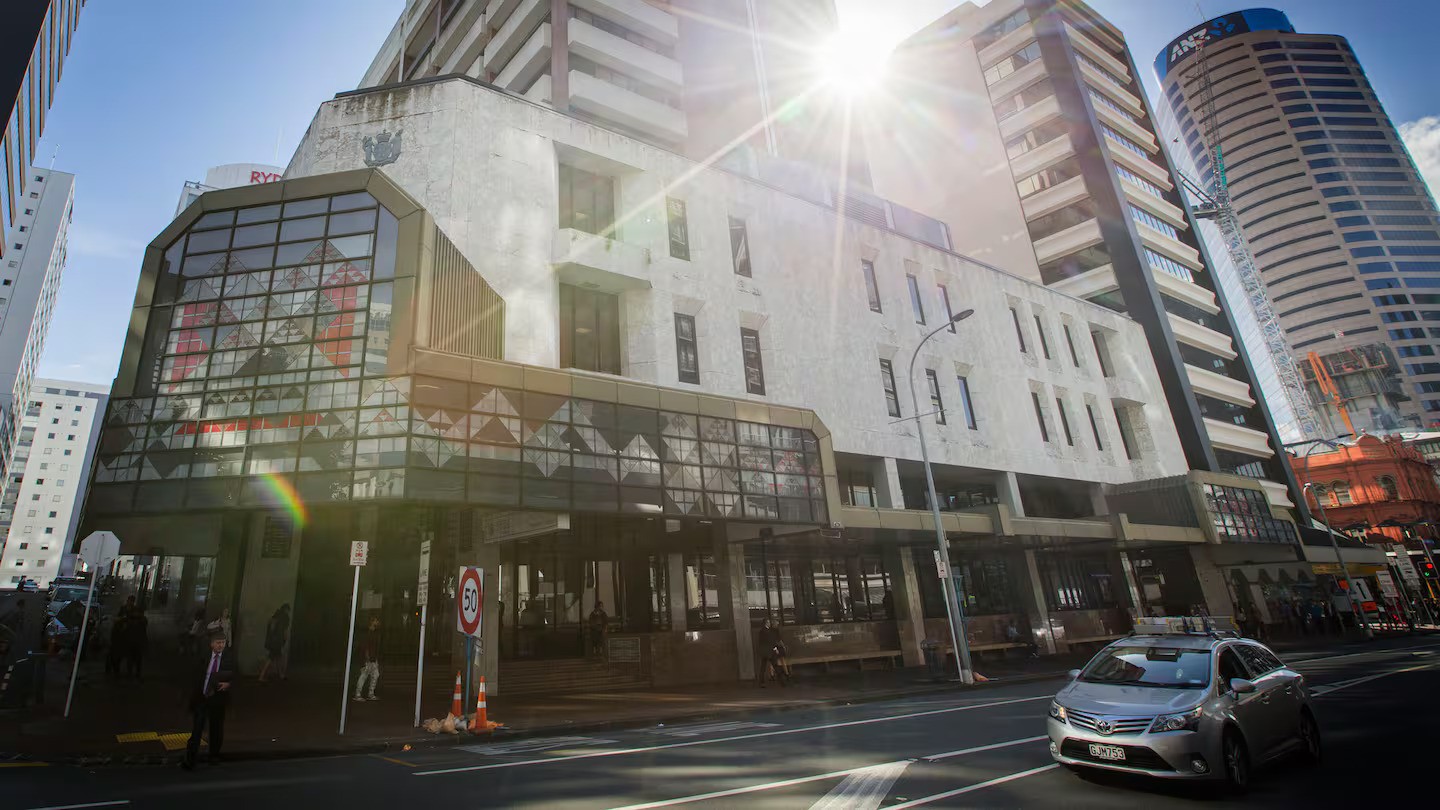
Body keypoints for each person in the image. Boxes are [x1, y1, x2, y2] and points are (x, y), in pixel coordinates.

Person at [182, 630, 236, 770]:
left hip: (218, 699)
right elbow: (193, 674)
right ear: (211, 644)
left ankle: (214, 755)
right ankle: (191, 757)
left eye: (223, 643)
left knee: (216, 727)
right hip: (202, 697)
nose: (220, 646)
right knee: (197, 728)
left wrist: (229, 684)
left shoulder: (228, 658)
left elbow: (237, 674)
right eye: (218, 643)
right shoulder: (203, 657)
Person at [259, 604, 290, 683]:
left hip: (272, 640)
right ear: (286, 610)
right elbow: (285, 631)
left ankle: (281, 675)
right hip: (278, 641)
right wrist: (285, 640)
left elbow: (270, 626)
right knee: (271, 658)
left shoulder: (276, 615)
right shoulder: (285, 617)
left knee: (278, 657)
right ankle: (261, 676)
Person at [353, 615, 381, 702]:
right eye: (376, 621)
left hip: (371, 658)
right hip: (368, 658)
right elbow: (365, 646)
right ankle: (360, 694)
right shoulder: (368, 634)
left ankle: (368, 694)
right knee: (365, 675)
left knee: (373, 675)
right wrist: (367, 657)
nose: (377, 622)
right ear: (372, 622)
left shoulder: (372, 633)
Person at [756, 618, 789, 687]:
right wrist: (775, 648)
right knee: (776, 666)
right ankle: (783, 682)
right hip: (769, 652)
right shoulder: (767, 631)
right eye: (768, 622)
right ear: (766, 623)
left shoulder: (762, 631)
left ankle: (761, 682)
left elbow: (762, 642)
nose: (769, 623)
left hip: (764, 652)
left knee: (763, 667)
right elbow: (770, 641)